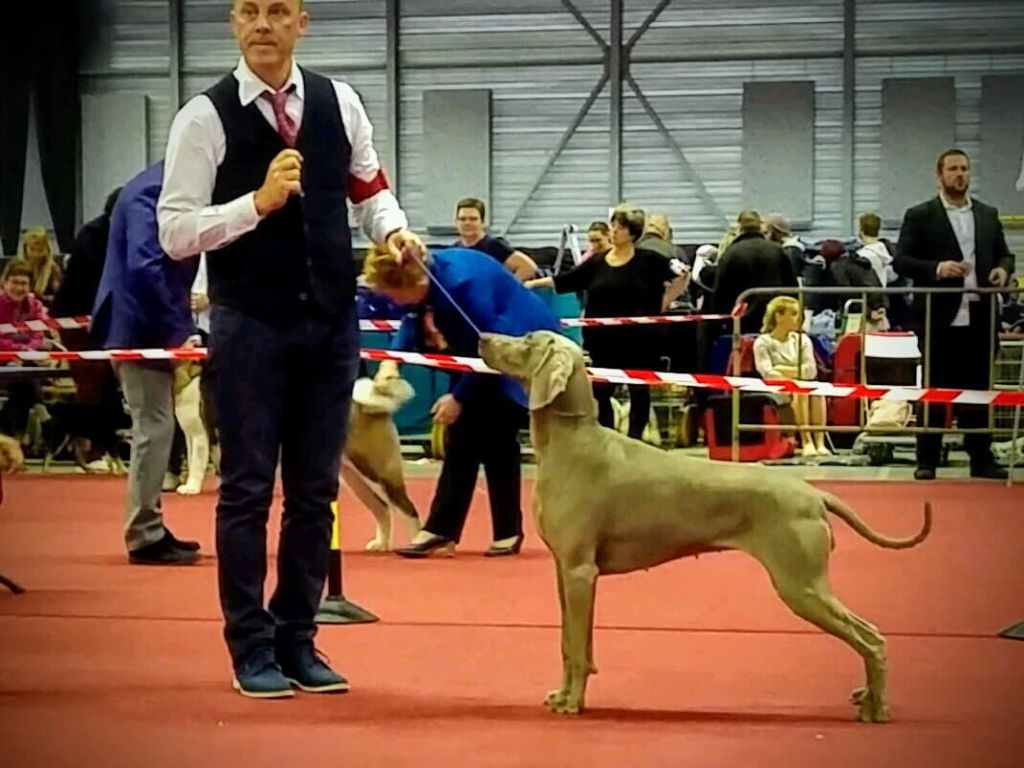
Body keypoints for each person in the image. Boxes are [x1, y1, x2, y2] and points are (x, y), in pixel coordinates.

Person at [156, 0, 425, 699]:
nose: (263, 24)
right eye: (249, 10)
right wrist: (256, 203)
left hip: (331, 322)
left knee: (314, 491)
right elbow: (174, 233)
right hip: (248, 322)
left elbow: (369, 189)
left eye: (278, 10)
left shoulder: (341, 102)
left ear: (302, 22)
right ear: (233, 22)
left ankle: (297, 638)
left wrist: (394, 231)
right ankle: (250, 647)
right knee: (247, 491)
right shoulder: (202, 117)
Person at [363, 245, 561, 558]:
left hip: (516, 346)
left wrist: (458, 397)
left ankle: (464, 529)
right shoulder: (425, 279)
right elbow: (411, 317)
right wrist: (392, 361)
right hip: (475, 354)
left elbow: (493, 347)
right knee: (476, 438)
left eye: (392, 293)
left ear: (413, 282)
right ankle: (470, 530)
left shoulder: (463, 287)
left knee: (490, 433)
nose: (391, 300)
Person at [91, 162, 202, 566]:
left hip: (143, 324)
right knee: (153, 428)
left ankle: (149, 525)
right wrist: (178, 329)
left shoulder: (153, 187)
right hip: (138, 326)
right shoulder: (150, 194)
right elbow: (144, 266)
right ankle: (144, 534)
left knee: (157, 426)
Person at [893, 148, 1015, 481]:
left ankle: (981, 457)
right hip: (938, 318)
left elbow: (1005, 255)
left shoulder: (988, 214)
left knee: (979, 390)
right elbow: (901, 261)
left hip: (981, 317)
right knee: (934, 390)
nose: (960, 174)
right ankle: (927, 459)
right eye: (953, 169)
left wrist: (1003, 270)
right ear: (939, 175)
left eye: (964, 169)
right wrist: (937, 268)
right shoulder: (920, 215)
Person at [526, 204, 689, 440]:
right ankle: (609, 440)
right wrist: (533, 284)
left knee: (639, 391)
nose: (613, 230)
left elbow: (682, 275)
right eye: (612, 225)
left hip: (640, 341)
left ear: (632, 233)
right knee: (601, 392)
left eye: (619, 227)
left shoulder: (649, 260)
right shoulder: (597, 262)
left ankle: (635, 440)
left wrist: (665, 301)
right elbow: (567, 280)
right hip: (603, 342)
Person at [754, 296, 827, 457]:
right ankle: (806, 441)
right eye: (793, 314)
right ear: (778, 316)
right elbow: (768, 373)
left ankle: (820, 442)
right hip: (775, 387)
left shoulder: (803, 340)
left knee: (817, 392)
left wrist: (782, 369)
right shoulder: (763, 342)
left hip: (802, 383)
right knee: (800, 391)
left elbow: (810, 370)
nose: (798, 319)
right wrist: (795, 374)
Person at [453, 197, 537, 281]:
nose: (467, 223)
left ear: (482, 222)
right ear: (456, 222)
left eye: (473, 219)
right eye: (462, 219)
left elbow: (528, 267)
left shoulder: (494, 246)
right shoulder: (454, 250)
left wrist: (506, 286)